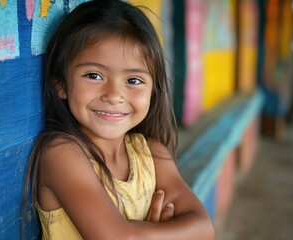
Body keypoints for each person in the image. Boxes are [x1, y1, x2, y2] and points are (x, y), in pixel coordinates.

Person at [22, 0, 215, 239]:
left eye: (133, 80)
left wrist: (138, 234)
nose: (114, 95)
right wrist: (156, 231)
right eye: (94, 75)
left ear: (152, 90)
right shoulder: (63, 154)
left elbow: (204, 227)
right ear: (61, 84)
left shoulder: (152, 154)